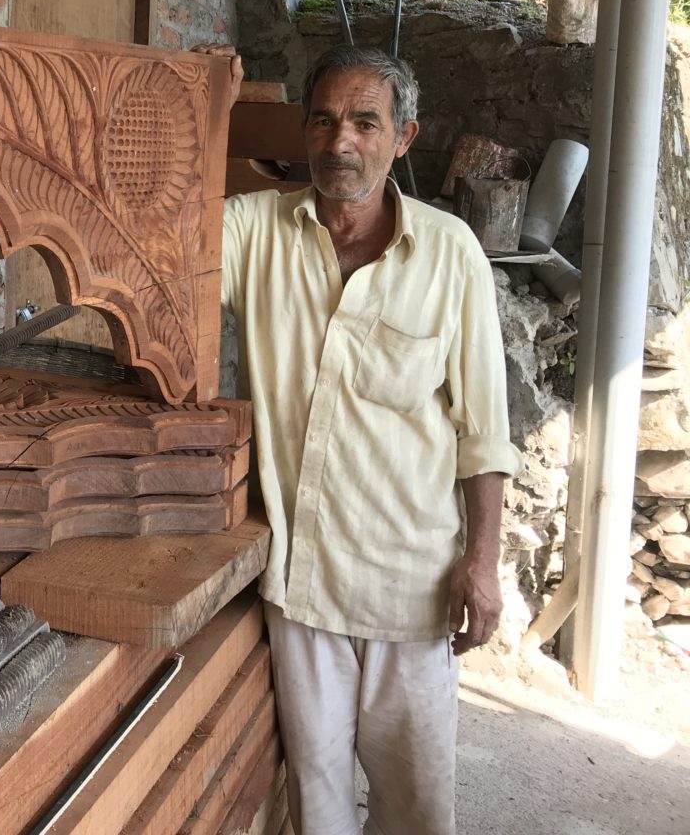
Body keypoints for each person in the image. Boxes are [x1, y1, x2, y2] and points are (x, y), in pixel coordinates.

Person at [220, 45, 520, 835]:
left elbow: (484, 433)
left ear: (404, 136)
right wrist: (190, 95)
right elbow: (165, 240)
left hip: (412, 591)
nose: (339, 142)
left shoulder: (450, 253)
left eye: (364, 122)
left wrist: (481, 564)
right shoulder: (256, 231)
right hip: (304, 593)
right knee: (316, 809)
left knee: (417, 810)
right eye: (322, 121)